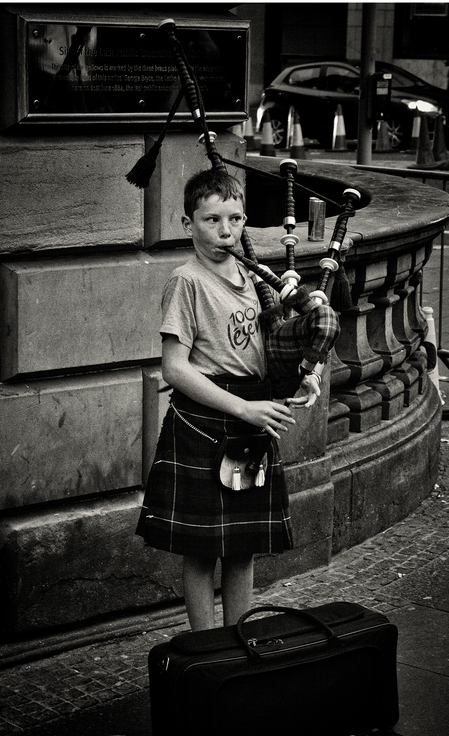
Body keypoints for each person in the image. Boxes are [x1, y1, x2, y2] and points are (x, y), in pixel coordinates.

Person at [137, 169, 311, 632]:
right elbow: (175, 368)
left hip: (250, 416)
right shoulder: (186, 281)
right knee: (201, 548)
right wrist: (243, 409)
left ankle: (240, 642)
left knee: (242, 545)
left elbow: (270, 345)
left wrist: (300, 374)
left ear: (244, 221)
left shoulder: (254, 276)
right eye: (211, 219)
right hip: (207, 419)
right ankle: (207, 649)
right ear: (186, 222)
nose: (224, 230)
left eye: (234, 218)